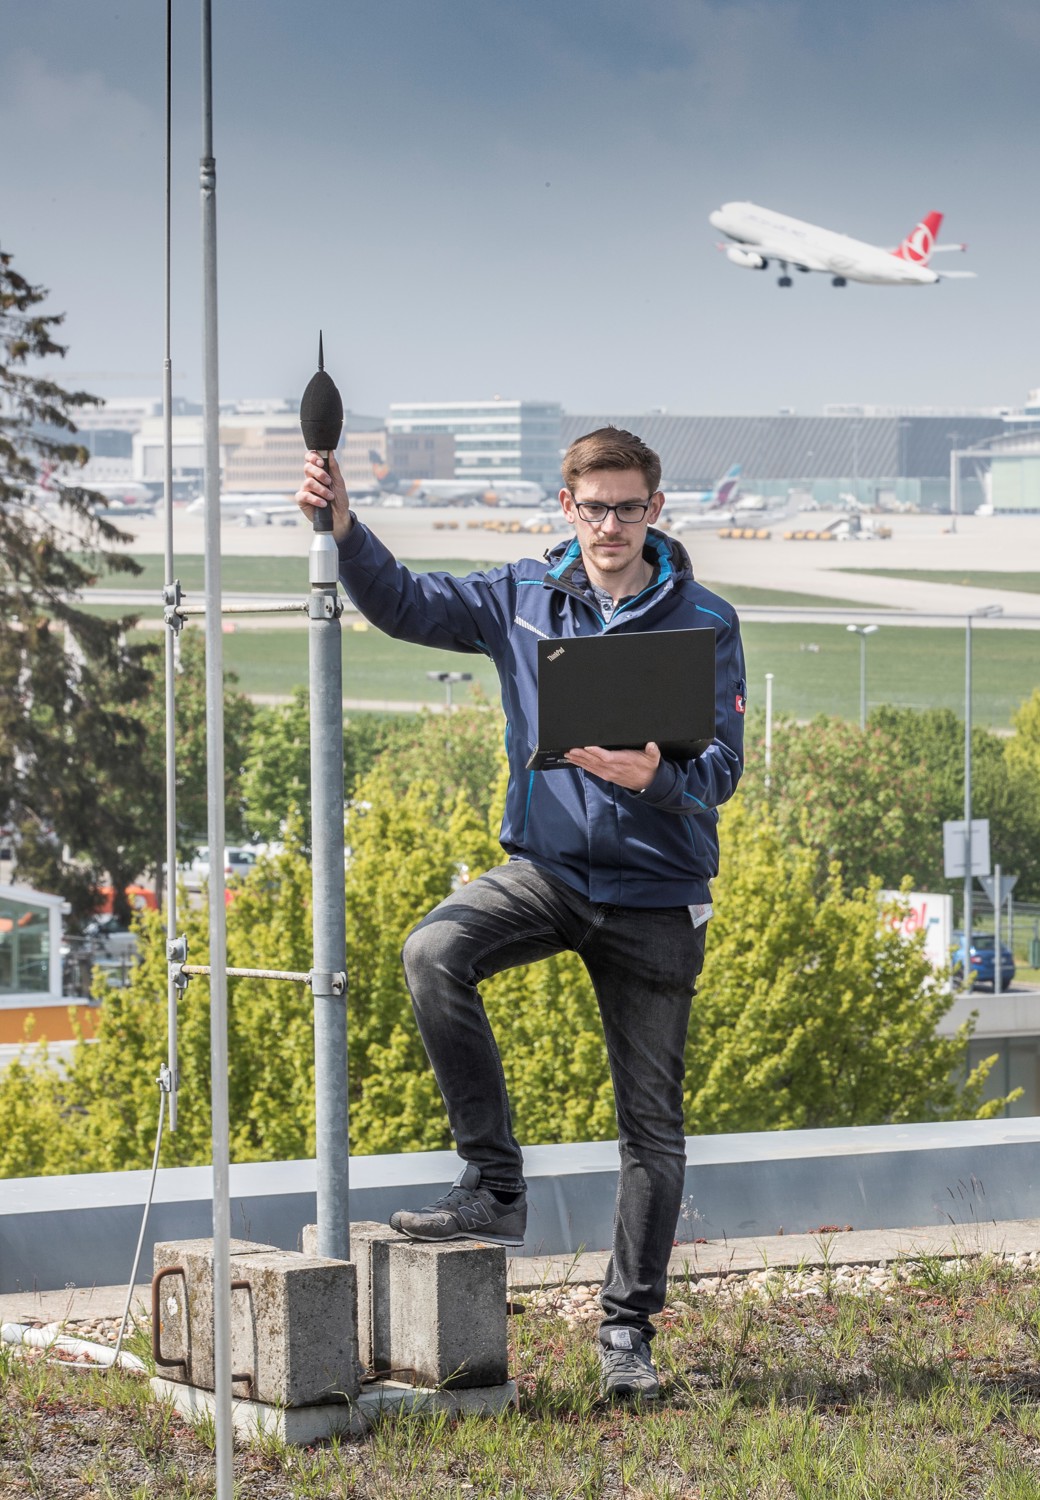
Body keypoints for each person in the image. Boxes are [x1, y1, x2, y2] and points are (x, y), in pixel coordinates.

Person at [295, 426, 745, 1398]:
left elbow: (723, 773)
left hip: (659, 892)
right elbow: (409, 603)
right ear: (568, 508)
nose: (613, 524)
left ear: (656, 510)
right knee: (433, 950)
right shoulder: (521, 599)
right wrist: (345, 526)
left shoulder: (704, 619)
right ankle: (493, 1185)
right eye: (596, 507)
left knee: (651, 1131)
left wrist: (658, 775)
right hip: (550, 871)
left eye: (630, 507)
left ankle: (626, 1340)